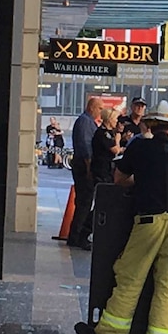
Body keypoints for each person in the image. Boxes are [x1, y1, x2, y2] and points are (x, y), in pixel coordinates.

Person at [74, 100, 168, 334]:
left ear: (151, 125)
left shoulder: (139, 148)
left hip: (148, 221)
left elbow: (119, 179)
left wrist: (144, 180)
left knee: (131, 277)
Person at [68, 97, 104, 250]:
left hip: (84, 165)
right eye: (100, 108)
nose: (101, 111)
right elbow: (85, 146)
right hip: (83, 166)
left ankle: (76, 235)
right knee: (84, 202)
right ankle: (76, 236)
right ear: (92, 107)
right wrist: (89, 168)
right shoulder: (85, 122)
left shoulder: (88, 122)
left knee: (85, 202)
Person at [91, 109, 123, 184]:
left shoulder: (110, 132)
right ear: (110, 119)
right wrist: (118, 140)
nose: (116, 121)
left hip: (108, 169)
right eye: (115, 119)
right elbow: (115, 150)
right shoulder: (103, 133)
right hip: (102, 169)